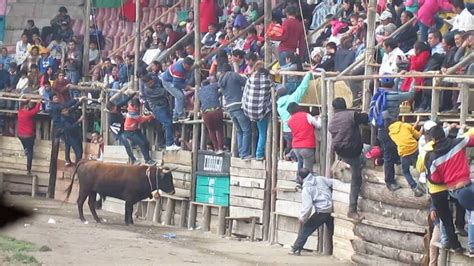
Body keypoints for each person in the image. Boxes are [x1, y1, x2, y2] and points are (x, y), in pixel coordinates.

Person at [426, 125, 474, 253]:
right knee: (471, 213)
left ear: (433, 140)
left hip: (453, 189)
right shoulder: (458, 143)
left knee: (446, 218)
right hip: (468, 184)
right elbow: (472, 139)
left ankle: (455, 244)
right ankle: (472, 245)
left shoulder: (433, 157)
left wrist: (447, 178)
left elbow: (434, 178)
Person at [372, 78, 415, 191]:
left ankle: (391, 172)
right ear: (392, 85)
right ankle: (389, 181)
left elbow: (391, 86)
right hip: (390, 128)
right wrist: (414, 81)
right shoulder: (394, 96)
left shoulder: (379, 93)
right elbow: (410, 94)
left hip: (381, 127)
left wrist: (397, 78)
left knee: (389, 152)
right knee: (389, 156)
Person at [328, 97, 368, 220]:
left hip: (341, 151)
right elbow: (366, 118)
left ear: (334, 108)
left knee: (358, 159)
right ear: (345, 105)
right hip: (353, 151)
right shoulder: (351, 115)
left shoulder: (332, 121)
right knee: (356, 179)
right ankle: (352, 209)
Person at [289, 168, 334, 255]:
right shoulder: (320, 179)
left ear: (301, 178)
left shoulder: (306, 189)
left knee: (306, 228)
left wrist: (303, 217)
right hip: (331, 210)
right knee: (332, 231)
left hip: (321, 212)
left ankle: (296, 248)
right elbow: (333, 183)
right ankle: (333, 250)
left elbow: (308, 206)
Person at [385, 114, 424, 197]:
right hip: (414, 149)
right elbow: (418, 135)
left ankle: (415, 188)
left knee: (405, 172)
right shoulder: (405, 125)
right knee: (422, 165)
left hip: (404, 153)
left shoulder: (391, 133)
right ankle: (424, 182)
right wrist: (422, 128)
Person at [277, 72, 313, 160]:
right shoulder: (291, 99)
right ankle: (291, 157)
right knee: (297, 148)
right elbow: (302, 88)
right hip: (295, 129)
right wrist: (308, 75)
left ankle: (287, 157)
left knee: (290, 145)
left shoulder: (278, 105)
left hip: (286, 130)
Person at [140, 74, 181, 151]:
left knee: (168, 124)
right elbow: (165, 91)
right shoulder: (148, 90)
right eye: (148, 84)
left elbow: (163, 81)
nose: (150, 84)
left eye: (150, 82)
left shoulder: (156, 79)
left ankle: (166, 143)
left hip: (165, 105)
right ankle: (169, 144)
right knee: (167, 123)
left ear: (152, 79)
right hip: (157, 108)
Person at [218, 63, 250, 159]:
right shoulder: (233, 75)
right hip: (238, 105)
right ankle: (244, 153)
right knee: (246, 130)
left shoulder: (220, 80)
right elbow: (246, 82)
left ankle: (241, 152)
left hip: (229, 107)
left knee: (239, 130)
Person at [242, 61, 272, 161]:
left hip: (248, 110)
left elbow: (245, 93)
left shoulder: (250, 79)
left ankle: (246, 152)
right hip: (260, 112)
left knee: (250, 131)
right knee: (263, 133)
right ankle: (259, 154)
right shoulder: (268, 81)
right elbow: (273, 90)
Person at [287, 102, 320, 171]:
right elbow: (318, 126)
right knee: (308, 169)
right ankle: (307, 181)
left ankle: (299, 178)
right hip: (307, 146)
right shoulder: (307, 115)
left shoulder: (289, 121)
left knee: (300, 162)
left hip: (296, 147)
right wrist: (319, 119)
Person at [123, 98, 156, 165]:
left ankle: (148, 158)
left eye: (138, 106)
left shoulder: (132, 105)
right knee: (142, 143)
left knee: (146, 142)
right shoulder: (132, 112)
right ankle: (147, 160)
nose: (138, 108)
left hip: (135, 129)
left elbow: (141, 101)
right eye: (137, 107)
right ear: (133, 106)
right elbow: (141, 120)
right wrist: (150, 116)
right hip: (129, 132)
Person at [160, 56, 194, 121]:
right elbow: (176, 84)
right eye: (187, 66)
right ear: (184, 64)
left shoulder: (185, 67)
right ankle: (181, 116)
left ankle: (175, 116)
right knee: (180, 96)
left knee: (179, 97)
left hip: (174, 80)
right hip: (168, 81)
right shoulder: (179, 69)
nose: (188, 68)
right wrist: (185, 86)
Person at [198, 79, 224, 153]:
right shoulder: (213, 86)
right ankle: (221, 148)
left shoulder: (199, 92)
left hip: (206, 113)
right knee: (219, 129)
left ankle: (216, 149)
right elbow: (221, 84)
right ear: (209, 83)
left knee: (211, 130)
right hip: (216, 110)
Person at [17, 99, 42, 175]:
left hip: (21, 135)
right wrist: (38, 102)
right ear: (27, 108)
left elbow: (22, 105)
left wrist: (27, 100)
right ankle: (28, 169)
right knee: (30, 152)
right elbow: (36, 110)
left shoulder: (19, 112)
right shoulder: (28, 114)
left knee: (27, 148)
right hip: (29, 136)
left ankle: (25, 149)